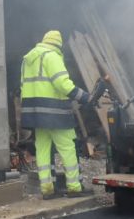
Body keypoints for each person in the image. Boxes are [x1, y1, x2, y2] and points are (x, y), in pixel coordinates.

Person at [20, 30, 91, 198]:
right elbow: (62, 84)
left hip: (35, 113)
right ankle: (74, 187)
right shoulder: (52, 56)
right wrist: (84, 97)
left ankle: (47, 189)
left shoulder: (27, 59)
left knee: (43, 149)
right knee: (68, 147)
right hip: (55, 112)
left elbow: (23, 85)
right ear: (58, 45)